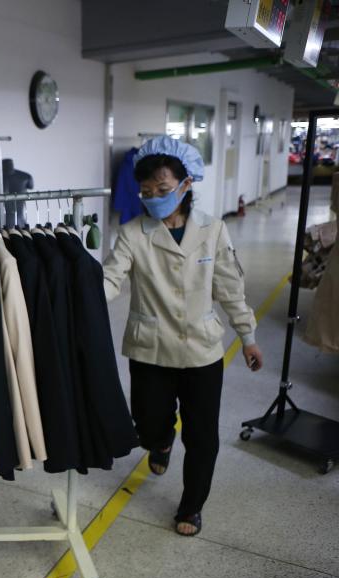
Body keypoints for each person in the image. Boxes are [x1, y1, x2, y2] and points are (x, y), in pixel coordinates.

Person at [102, 138, 263, 537]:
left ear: (186, 184)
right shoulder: (133, 232)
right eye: (145, 192)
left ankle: (191, 506)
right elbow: (111, 278)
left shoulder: (213, 230)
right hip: (150, 349)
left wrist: (248, 336)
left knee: (203, 436)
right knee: (149, 423)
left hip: (201, 351)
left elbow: (229, 288)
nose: (153, 198)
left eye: (161, 189)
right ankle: (161, 441)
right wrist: (79, 294)